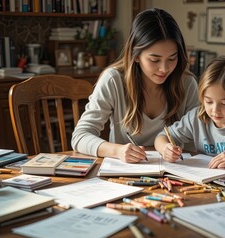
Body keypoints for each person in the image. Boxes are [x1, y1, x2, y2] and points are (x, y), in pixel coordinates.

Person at [71, 8, 199, 163]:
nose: (164, 68)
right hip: (124, 176)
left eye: (172, 58)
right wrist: (117, 151)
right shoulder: (113, 80)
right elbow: (80, 136)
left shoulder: (187, 84)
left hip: (176, 176)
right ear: (136, 55)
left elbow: (198, 140)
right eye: (155, 60)